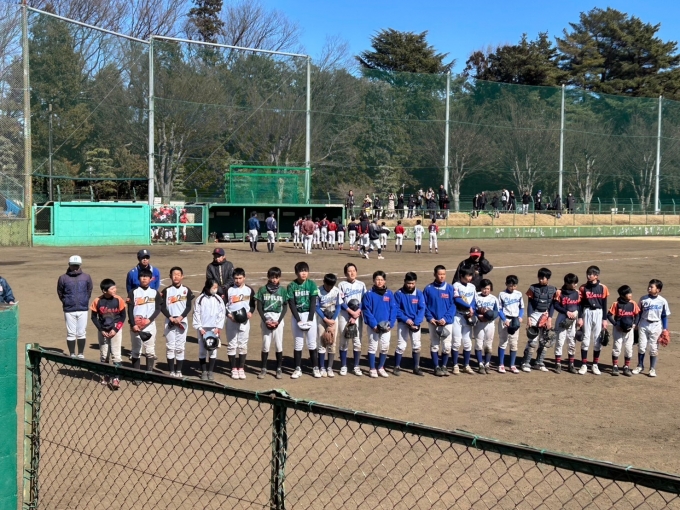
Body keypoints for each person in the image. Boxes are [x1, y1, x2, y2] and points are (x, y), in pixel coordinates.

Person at [91, 278, 126, 390]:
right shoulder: (97, 301)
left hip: (115, 328)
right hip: (103, 329)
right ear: (104, 291)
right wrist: (101, 330)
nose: (115, 290)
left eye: (115, 288)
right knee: (104, 354)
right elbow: (93, 317)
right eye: (112, 289)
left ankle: (116, 378)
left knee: (116, 354)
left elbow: (123, 316)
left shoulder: (118, 299)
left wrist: (116, 329)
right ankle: (106, 375)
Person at [361, 270, 397, 378]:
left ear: (384, 281)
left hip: (386, 327)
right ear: (373, 280)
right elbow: (366, 310)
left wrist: (390, 324)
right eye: (377, 279)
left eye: (381, 280)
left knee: (385, 346)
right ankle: (372, 368)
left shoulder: (389, 294)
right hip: (374, 327)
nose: (379, 282)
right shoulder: (368, 294)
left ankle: (381, 367)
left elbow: (393, 309)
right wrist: (374, 325)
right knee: (373, 346)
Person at [520, 268, 556, 373]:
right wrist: (529, 318)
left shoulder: (553, 290)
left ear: (548, 278)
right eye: (539, 278)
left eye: (543, 278)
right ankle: (525, 363)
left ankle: (539, 363)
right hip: (534, 314)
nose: (540, 280)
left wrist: (550, 319)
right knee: (532, 341)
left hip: (546, 315)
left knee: (544, 341)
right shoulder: (533, 288)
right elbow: (530, 304)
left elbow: (552, 306)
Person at [160, 267, 194, 378]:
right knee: (170, 346)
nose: (176, 276)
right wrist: (170, 317)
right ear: (170, 276)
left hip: (182, 322)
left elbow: (188, 306)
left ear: (182, 276)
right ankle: (171, 371)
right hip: (169, 321)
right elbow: (162, 307)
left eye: (178, 274)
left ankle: (179, 370)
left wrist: (180, 317)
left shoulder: (186, 290)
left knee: (180, 347)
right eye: (174, 274)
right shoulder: (166, 291)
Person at [255, 267, 288, 380]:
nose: (274, 280)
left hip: (278, 320)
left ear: (279, 278)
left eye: (276, 277)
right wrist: (265, 320)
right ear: (268, 277)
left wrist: (279, 321)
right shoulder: (262, 290)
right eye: (272, 277)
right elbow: (259, 307)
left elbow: (285, 307)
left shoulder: (282, 291)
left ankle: (279, 368)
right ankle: (263, 368)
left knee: (278, 345)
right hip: (266, 320)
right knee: (265, 345)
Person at [288, 261, 319, 379]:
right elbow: (291, 303)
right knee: (298, 343)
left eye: (305, 271)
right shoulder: (292, 286)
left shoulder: (312, 284)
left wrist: (310, 319)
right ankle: (297, 368)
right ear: (296, 273)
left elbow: (313, 302)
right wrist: (298, 319)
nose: (304, 273)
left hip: (309, 314)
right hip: (297, 316)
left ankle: (315, 367)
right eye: (301, 271)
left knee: (312, 343)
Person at [57, 255, 93, 358]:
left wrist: (84, 300)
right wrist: (66, 301)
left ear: (80, 265)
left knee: (81, 332)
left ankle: (80, 353)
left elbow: (89, 290)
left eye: (77, 265)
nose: (75, 268)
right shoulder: (63, 278)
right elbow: (60, 292)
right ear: (69, 265)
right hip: (69, 309)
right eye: (73, 265)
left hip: (83, 308)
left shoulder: (86, 277)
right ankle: (72, 353)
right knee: (71, 333)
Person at [128, 268, 161, 377]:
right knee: (136, 350)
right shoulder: (133, 292)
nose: (144, 279)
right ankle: (137, 375)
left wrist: (149, 320)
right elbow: (130, 309)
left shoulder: (154, 293)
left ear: (151, 279)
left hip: (150, 325)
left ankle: (149, 374)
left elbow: (158, 309)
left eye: (146, 277)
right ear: (139, 278)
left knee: (150, 350)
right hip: (136, 326)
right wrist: (133, 324)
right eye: (142, 276)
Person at [577, 265, 609, 375]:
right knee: (585, 338)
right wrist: (580, 317)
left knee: (597, 339)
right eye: (588, 274)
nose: (588, 276)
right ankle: (584, 364)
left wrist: (604, 319)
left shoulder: (603, 288)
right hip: (587, 312)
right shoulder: (583, 288)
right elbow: (580, 304)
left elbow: (604, 304)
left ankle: (595, 364)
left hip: (598, 313)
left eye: (591, 274)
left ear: (596, 276)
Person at [634, 279, 670, 377]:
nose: (649, 288)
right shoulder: (643, 299)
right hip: (644, 324)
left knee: (653, 348)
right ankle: (640, 366)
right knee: (641, 346)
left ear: (658, 290)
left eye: (652, 287)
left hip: (656, 325)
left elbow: (664, 316)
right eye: (649, 286)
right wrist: (636, 324)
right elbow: (639, 313)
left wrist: (665, 329)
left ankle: (652, 369)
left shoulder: (662, 301)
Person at [424, 265, 456, 377]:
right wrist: (430, 318)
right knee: (435, 345)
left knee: (447, 346)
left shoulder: (450, 288)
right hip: (433, 322)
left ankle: (444, 366)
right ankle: (436, 367)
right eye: (439, 274)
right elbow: (424, 306)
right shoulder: (428, 289)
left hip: (447, 322)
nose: (442, 276)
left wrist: (445, 319)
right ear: (434, 274)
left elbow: (453, 305)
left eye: (444, 274)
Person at [225, 268, 255, 380]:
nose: (238, 280)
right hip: (231, 321)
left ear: (244, 277)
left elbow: (252, 305)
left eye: (240, 278)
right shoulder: (229, 290)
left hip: (244, 321)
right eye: (236, 278)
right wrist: (229, 315)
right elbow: (223, 305)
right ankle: (233, 369)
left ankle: (241, 368)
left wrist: (250, 312)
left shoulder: (249, 290)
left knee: (243, 344)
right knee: (232, 345)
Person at [192, 278, 225, 381]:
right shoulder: (200, 299)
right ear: (208, 287)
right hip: (203, 329)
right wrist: (200, 328)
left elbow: (222, 313)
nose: (216, 289)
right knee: (202, 350)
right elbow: (196, 314)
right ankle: (203, 371)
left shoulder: (218, 299)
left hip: (214, 329)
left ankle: (210, 371)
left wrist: (218, 327)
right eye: (214, 287)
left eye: (216, 287)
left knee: (212, 350)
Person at [394, 272, 426, 376]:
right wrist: (406, 319)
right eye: (408, 283)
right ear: (404, 282)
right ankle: (397, 366)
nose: (410, 285)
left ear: (415, 282)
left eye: (412, 283)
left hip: (415, 324)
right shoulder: (398, 294)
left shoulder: (419, 293)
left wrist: (416, 322)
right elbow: (396, 309)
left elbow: (422, 309)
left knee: (417, 345)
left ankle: (416, 367)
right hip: (403, 323)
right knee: (401, 345)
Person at [338, 263, 366, 376]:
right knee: (344, 340)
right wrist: (351, 312)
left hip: (357, 316)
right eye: (349, 271)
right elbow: (340, 301)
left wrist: (356, 313)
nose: (352, 273)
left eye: (354, 270)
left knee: (357, 341)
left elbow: (364, 300)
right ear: (345, 273)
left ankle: (356, 366)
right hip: (345, 315)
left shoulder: (361, 284)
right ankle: (343, 366)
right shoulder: (341, 285)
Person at [607, 285, 640, 377]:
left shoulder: (633, 303)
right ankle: (615, 366)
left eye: (630, 292)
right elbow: (609, 315)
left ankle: (626, 367)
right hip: (618, 330)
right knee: (617, 347)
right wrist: (615, 325)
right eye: (628, 293)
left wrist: (635, 324)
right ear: (622, 295)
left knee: (629, 349)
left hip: (629, 330)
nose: (630, 294)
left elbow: (637, 314)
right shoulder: (616, 304)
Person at [553, 273, 580, 374]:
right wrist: (566, 312)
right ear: (567, 283)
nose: (576, 285)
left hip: (573, 318)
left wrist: (576, 313)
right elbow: (556, 305)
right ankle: (558, 364)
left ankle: (571, 364)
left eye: (576, 283)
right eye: (574, 283)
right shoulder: (559, 292)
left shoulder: (577, 293)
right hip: (562, 317)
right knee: (560, 341)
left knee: (572, 341)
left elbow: (579, 305)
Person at [452, 266, 477, 374]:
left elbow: (474, 300)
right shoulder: (456, 285)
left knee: (467, 342)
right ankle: (455, 365)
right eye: (468, 275)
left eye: (471, 275)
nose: (470, 278)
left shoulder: (472, 286)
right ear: (461, 275)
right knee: (456, 342)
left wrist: (472, 310)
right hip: (457, 316)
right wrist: (469, 307)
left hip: (468, 316)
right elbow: (457, 299)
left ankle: (466, 365)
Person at [316, 273, 342, 377]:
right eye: (328, 285)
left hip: (333, 319)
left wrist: (333, 320)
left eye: (331, 285)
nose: (329, 287)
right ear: (324, 282)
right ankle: (322, 367)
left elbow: (338, 306)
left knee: (332, 342)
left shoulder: (336, 291)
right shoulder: (318, 291)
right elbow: (317, 307)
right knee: (322, 342)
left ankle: (329, 367)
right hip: (322, 318)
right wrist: (325, 319)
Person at [497, 275, 524, 374]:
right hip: (505, 319)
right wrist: (504, 319)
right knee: (503, 342)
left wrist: (520, 316)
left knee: (514, 343)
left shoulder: (519, 294)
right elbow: (499, 309)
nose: (512, 288)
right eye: (510, 286)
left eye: (514, 286)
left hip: (515, 320)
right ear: (506, 284)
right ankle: (501, 364)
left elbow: (521, 307)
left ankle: (512, 365)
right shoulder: (502, 294)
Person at [474, 279, 499, 374]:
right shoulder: (476, 296)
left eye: (488, 289)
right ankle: (480, 364)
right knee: (478, 343)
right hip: (479, 323)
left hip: (490, 324)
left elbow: (497, 312)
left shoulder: (494, 298)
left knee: (488, 344)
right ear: (481, 288)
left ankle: (487, 364)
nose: (486, 290)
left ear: (490, 289)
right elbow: (473, 308)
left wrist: (490, 317)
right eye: (484, 288)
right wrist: (478, 316)